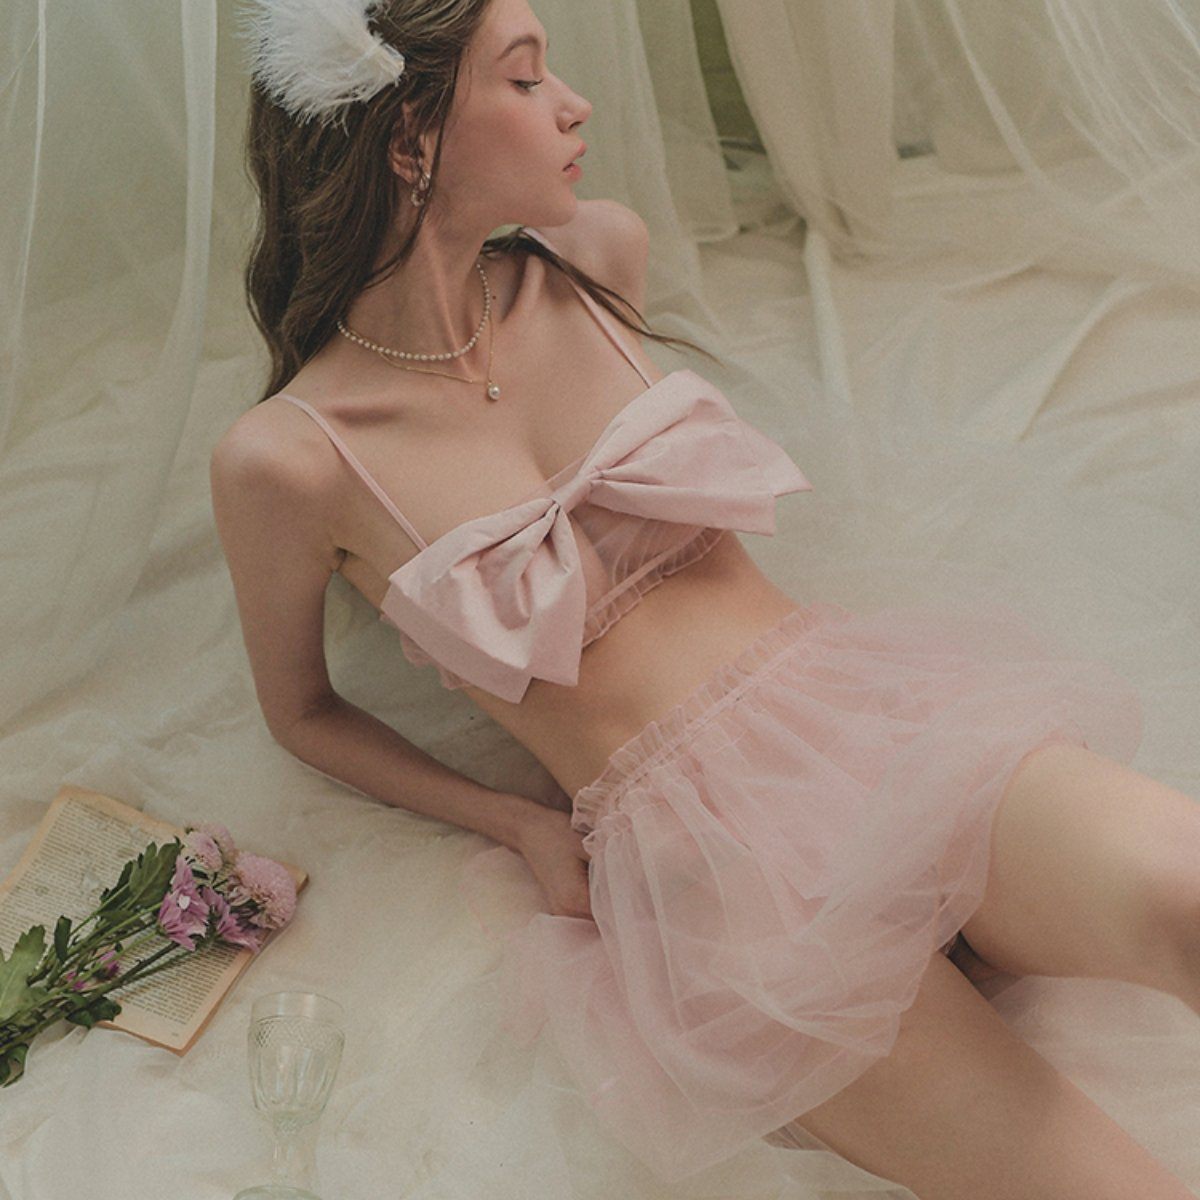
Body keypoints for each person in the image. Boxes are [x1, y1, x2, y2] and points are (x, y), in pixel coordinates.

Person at [211, 1, 1200, 1195]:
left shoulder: (597, 258)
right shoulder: (288, 459)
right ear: (410, 140)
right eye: (524, 80)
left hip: (872, 731)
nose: (575, 105)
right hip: (712, 879)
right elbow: (301, 712)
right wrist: (520, 823)